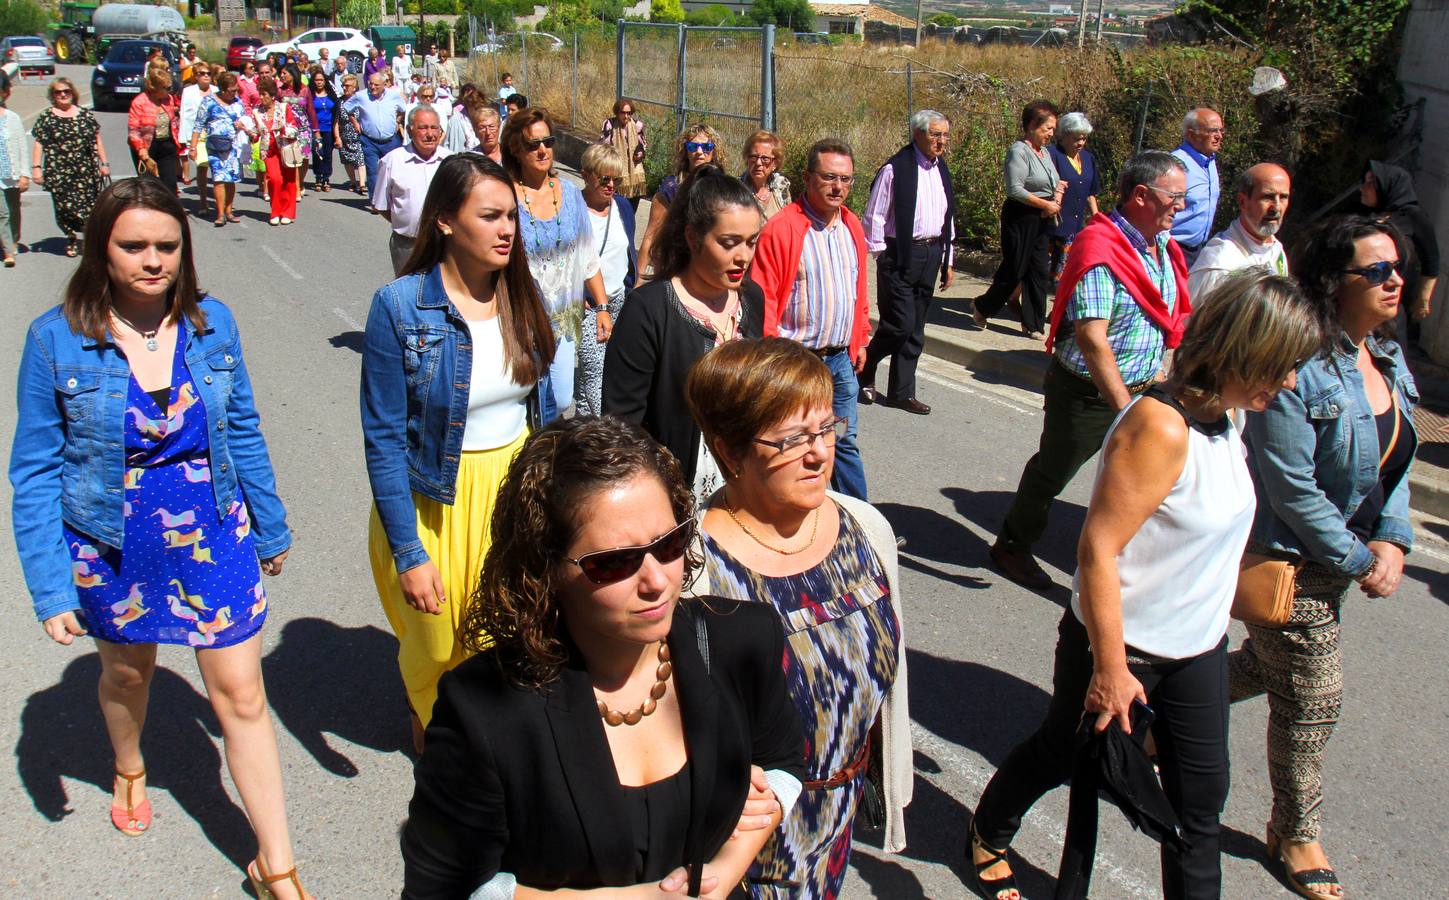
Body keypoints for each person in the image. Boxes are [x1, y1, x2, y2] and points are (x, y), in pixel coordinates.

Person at [970, 271, 1321, 900]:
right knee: (1061, 751)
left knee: (1198, 811)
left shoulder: (1229, 419)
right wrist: (1109, 667)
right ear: (1242, 351)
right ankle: (989, 830)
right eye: (1281, 366)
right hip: (1119, 649)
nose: (1290, 382)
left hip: (1197, 652)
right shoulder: (1159, 427)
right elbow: (1097, 550)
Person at [8, 177, 313, 900]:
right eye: (134, 245)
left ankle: (278, 866)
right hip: (113, 542)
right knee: (127, 675)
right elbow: (35, 470)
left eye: (167, 245)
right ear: (99, 249)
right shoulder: (56, 339)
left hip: (211, 527)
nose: (153, 260)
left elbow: (241, 428)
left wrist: (268, 523)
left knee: (241, 696)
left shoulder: (214, 326)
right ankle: (130, 765)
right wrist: (50, 584)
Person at [400, 415, 806, 898]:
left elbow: (783, 765)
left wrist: (721, 872)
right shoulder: (483, 712)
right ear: (544, 568)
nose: (657, 580)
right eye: (615, 561)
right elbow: (442, 889)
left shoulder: (743, 641)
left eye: (670, 542)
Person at [1229, 216, 1420, 900]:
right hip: (1291, 559)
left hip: (1343, 557)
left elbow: (1397, 464)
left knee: (1263, 667)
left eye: (1394, 267)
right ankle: (1295, 831)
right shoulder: (1299, 367)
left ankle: (1163, 710)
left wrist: (1392, 538)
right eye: (1375, 271)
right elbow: (1290, 487)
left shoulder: (1388, 359)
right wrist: (1359, 559)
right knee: (1312, 698)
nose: (1394, 280)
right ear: (1333, 284)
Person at [686, 337, 913, 896]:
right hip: (742, 847)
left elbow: (888, 680)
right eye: (791, 439)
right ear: (729, 451)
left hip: (838, 817)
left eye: (825, 428)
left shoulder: (867, 529)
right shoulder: (690, 569)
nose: (818, 453)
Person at [362, 153, 557, 752]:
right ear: (445, 220)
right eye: (490, 216)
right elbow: (384, 439)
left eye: (511, 217)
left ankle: (475, 749)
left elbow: (543, 416)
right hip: (433, 501)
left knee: (503, 636)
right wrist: (408, 551)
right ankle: (427, 711)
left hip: (511, 494)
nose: (507, 230)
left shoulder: (525, 296)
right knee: (435, 644)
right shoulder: (398, 307)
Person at [988, 151, 1193, 590]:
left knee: (1141, 483)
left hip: (1144, 390)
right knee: (1051, 473)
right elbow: (1092, 337)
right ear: (1141, 195)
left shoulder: (1161, 245)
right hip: (1088, 395)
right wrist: (1125, 410)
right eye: (1175, 196)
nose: (1182, 205)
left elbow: (1165, 316)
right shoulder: (1099, 247)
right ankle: (1012, 546)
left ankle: (1122, 561)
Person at [603, 166, 765, 501]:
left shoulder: (751, 299)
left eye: (751, 243)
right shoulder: (648, 309)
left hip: (744, 485)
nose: (743, 257)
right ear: (692, 238)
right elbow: (622, 426)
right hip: (672, 494)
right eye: (729, 243)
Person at [749, 138, 872, 501]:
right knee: (793, 442)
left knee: (844, 442)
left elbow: (858, 290)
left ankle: (861, 521)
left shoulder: (852, 226)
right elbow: (763, 299)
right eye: (830, 177)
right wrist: (771, 359)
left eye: (847, 179)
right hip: (797, 360)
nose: (839, 187)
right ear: (807, 177)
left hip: (840, 360)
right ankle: (787, 513)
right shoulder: (783, 228)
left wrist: (860, 337)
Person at [501, 107, 609, 417]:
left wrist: (602, 306)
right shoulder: (506, 195)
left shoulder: (572, 195)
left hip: (562, 318)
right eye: (533, 144)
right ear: (516, 149)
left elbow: (587, 256)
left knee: (560, 399)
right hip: (520, 317)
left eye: (547, 141)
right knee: (521, 395)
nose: (542, 150)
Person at [858, 109, 956, 416]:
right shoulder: (896, 168)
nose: (942, 141)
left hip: (930, 253)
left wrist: (948, 259)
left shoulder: (942, 170)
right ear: (918, 134)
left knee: (915, 330)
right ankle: (866, 364)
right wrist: (881, 256)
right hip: (899, 255)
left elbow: (947, 216)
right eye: (935, 134)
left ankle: (901, 393)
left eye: (945, 135)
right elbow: (874, 215)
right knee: (898, 325)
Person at [972, 100, 1065, 340]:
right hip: (1021, 216)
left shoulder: (1043, 152)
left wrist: (1056, 195)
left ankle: (1033, 324)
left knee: (1038, 270)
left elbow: (1052, 182)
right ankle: (983, 306)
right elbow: (1015, 189)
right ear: (1033, 125)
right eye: (1048, 128)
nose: (1051, 134)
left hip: (1042, 219)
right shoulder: (1019, 150)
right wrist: (1045, 204)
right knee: (1015, 268)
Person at [576, 145, 638, 416]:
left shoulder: (622, 206)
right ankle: (608, 427)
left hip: (618, 300)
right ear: (586, 175)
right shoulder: (574, 209)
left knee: (612, 365)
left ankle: (582, 429)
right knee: (594, 371)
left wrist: (630, 285)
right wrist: (577, 297)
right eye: (604, 179)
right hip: (587, 305)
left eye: (616, 179)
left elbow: (628, 249)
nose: (611, 185)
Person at [1358, 160, 1440, 347]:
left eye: (1371, 183)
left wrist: (1423, 298)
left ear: (1387, 186)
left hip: (1388, 302)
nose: (1363, 188)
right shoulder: (1365, 216)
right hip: (1358, 300)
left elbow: (1431, 259)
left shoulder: (1413, 217)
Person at [30, 77, 107, 259]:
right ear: (53, 95)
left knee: (89, 207)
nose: (63, 94)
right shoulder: (47, 117)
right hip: (59, 172)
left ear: (73, 93)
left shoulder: (84, 115)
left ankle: (90, 240)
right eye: (58, 92)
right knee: (63, 208)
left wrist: (104, 163)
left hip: (85, 171)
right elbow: (39, 143)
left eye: (66, 91)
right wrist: (36, 167)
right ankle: (71, 236)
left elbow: (97, 140)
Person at [1188, 163, 1291, 297]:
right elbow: (1196, 317)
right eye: (1267, 197)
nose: (1276, 207)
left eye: (1283, 197)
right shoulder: (1219, 264)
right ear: (1242, 202)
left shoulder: (1277, 252)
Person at [637, 123, 727, 275]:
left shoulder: (724, 187)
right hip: (675, 267)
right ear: (685, 151)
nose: (699, 152)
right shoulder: (671, 188)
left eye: (706, 147)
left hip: (711, 269)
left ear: (714, 151)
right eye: (693, 147)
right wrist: (638, 281)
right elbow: (650, 236)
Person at [373, 105, 453, 275]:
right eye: (423, 128)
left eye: (434, 128)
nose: (430, 134)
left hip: (445, 244)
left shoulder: (451, 161)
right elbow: (382, 205)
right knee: (407, 296)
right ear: (409, 131)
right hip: (406, 245)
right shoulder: (392, 161)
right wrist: (407, 223)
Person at [189, 71, 252, 227]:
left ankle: (229, 211)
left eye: (236, 90)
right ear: (222, 90)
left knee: (231, 179)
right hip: (215, 146)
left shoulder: (237, 102)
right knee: (219, 178)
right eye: (231, 90)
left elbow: (244, 119)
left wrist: (243, 126)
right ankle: (220, 213)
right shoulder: (208, 101)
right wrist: (193, 147)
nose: (234, 93)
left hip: (234, 146)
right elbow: (198, 125)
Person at [1045, 111, 1101, 286]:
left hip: (1074, 226)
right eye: (1076, 138)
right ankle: (1015, 299)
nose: (1081, 143)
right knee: (1039, 270)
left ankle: (1057, 312)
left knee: (1065, 276)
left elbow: (1091, 192)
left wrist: (1096, 217)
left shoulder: (1087, 158)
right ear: (1064, 136)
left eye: (1084, 138)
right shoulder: (1051, 154)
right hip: (1051, 224)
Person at [1170, 107, 1223, 265]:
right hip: (1173, 249)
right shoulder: (1175, 164)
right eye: (1212, 131)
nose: (1219, 136)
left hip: (1199, 250)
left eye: (1220, 130)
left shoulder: (1210, 161)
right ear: (1192, 134)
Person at [344, 71, 406, 196]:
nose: (373, 87)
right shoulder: (361, 96)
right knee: (373, 171)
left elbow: (403, 109)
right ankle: (375, 201)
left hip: (391, 140)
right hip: (369, 140)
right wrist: (355, 124)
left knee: (393, 171)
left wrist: (397, 121)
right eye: (371, 84)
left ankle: (392, 198)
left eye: (377, 85)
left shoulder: (393, 95)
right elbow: (347, 108)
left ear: (384, 85)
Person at [255, 77, 301, 226]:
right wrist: (247, 130)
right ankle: (275, 211)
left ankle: (287, 212)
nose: (261, 97)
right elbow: (256, 133)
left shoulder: (283, 108)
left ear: (272, 95)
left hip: (286, 148)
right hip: (269, 151)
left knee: (288, 180)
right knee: (275, 179)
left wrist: (282, 129)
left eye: (264, 94)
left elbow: (294, 129)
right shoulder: (257, 112)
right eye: (260, 94)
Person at [128, 69, 182, 195]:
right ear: (155, 87)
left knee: (170, 186)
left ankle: (169, 212)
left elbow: (173, 122)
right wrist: (141, 149)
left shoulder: (168, 99)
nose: (170, 90)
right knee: (149, 187)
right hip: (147, 147)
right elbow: (133, 130)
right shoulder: (139, 102)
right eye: (166, 88)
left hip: (166, 145)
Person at [178, 64, 216, 215]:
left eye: (208, 73)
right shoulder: (188, 91)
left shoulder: (216, 91)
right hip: (196, 135)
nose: (206, 76)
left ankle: (219, 201)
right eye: (202, 73)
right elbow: (184, 114)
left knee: (216, 167)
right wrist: (184, 138)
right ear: (196, 76)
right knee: (202, 166)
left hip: (213, 134)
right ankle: (203, 201)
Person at [0, 69, 27, 268]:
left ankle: (14, 239)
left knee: (14, 209)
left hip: (12, 173)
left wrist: (25, 174)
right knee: (2, 213)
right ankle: (8, 251)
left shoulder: (12, 118)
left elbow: (21, 147)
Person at [276, 66, 313, 198]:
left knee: (304, 157)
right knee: (292, 158)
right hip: (288, 130)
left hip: (304, 131)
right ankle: (294, 185)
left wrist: (317, 131)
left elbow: (310, 110)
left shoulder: (305, 89)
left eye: (284, 73)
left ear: (293, 74)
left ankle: (301, 181)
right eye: (281, 73)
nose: (281, 75)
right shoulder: (280, 91)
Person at [601, 98, 647, 202]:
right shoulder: (609, 124)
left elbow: (643, 144)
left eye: (629, 113)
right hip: (616, 171)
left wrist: (640, 153)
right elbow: (603, 147)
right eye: (623, 113)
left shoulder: (637, 125)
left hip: (635, 171)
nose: (626, 116)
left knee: (631, 208)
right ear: (617, 112)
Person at [740, 130, 791, 221]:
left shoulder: (781, 185)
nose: (758, 163)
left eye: (765, 158)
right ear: (747, 159)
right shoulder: (737, 189)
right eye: (754, 157)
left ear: (775, 163)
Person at [303, 67, 340, 192]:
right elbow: (298, 102)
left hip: (329, 129)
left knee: (328, 154)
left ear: (325, 81)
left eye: (321, 80)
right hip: (316, 130)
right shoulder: (310, 95)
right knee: (318, 153)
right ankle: (318, 177)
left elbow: (336, 111)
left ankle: (326, 178)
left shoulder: (331, 95)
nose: (319, 82)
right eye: (316, 80)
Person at [336, 73, 366, 193]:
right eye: (343, 85)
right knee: (347, 159)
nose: (344, 88)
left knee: (361, 159)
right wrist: (337, 137)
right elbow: (336, 121)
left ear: (354, 87)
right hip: (344, 134)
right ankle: (353, 182)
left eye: (347, 85)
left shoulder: (360, 99)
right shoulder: (340, 102)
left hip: (359, 134)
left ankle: (362, 184)